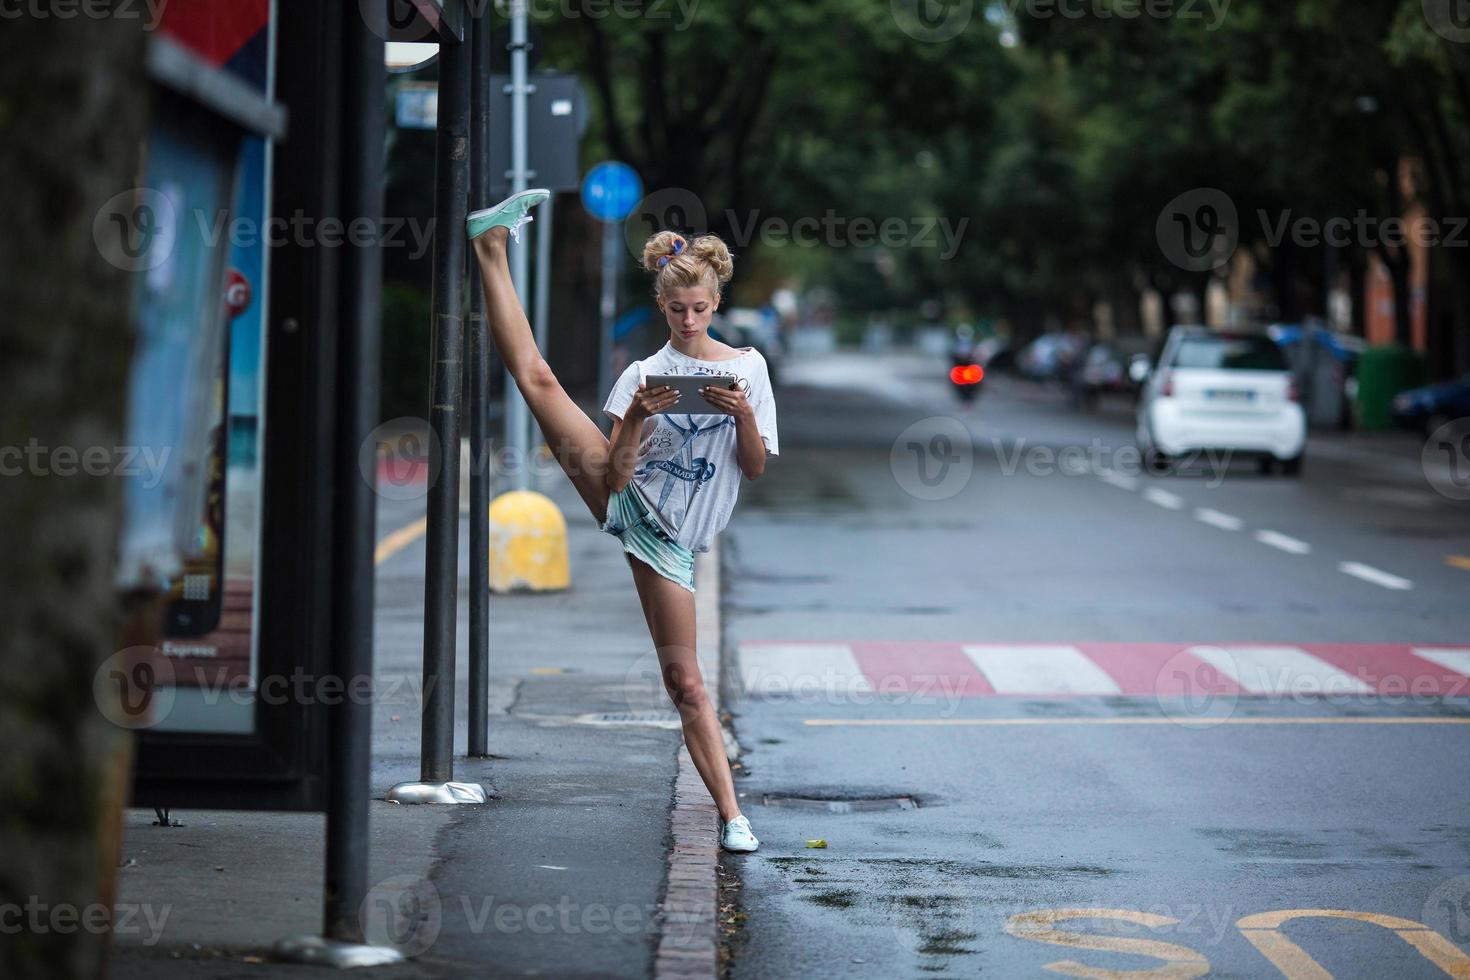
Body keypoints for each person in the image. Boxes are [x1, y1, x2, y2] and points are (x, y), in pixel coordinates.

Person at [466, 189, 779, 853]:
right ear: (660, 307)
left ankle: (490, 247)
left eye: (699, 308)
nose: (688, 320)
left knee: (679, 681)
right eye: (675, 309)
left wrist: (742, 415)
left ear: (716, 303)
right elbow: (614, 477)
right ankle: (732, 815)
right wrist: (637, 414)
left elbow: (752, 468)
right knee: (538, 381)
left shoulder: (750, 370)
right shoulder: (644, 372)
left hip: (684, 538)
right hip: (642, 515)